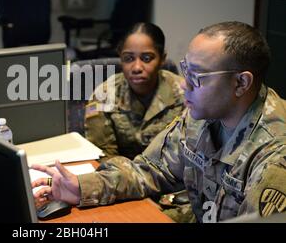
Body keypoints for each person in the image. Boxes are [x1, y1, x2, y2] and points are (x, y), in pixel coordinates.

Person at [32, 21, 286, 223]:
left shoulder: (276, 153)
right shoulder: (201, 116)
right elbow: (150, 170)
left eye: (197, 75)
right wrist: (80, 187)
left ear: (241, 83)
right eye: (186, 69)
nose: (185, 83)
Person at [84, 22, 184, 160]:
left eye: (147, 58)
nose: (137, 67)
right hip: (119, 177)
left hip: (171, 176)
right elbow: (102, 155)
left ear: (162, 59)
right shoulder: (104, 95)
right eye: (128, 58)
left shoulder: (185, 94)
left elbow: (189, 153)